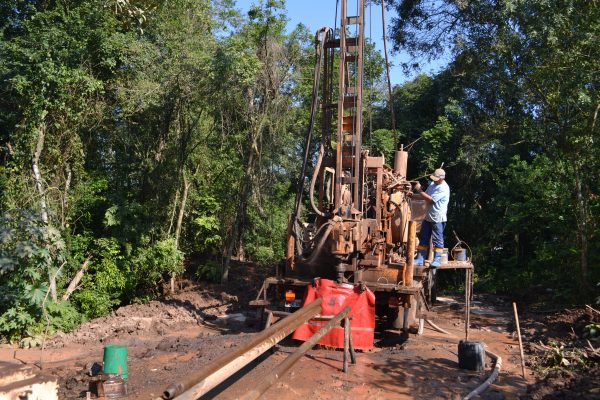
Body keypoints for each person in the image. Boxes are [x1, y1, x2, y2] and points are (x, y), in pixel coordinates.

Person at [413, 168, 450, 268]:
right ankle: (420, 259)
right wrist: (413, 195)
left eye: (436, 179)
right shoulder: (433, 185)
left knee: (437, 239)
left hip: (438, 218)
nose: (434, 180)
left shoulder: (444, 188)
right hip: (428, 217)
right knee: (423, 237)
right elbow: (425, 196)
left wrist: (419, 190)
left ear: (441, 178)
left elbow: (430, 200)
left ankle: (437, 259)